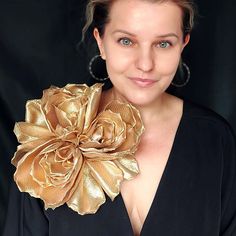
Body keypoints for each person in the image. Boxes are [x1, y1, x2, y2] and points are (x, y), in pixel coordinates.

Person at [3, 0, 236, 235]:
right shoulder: (49, 131)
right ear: (101, 41)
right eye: (126, 41)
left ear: (182, 46)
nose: (145, 64)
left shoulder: (215, 140)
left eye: (163, 43)